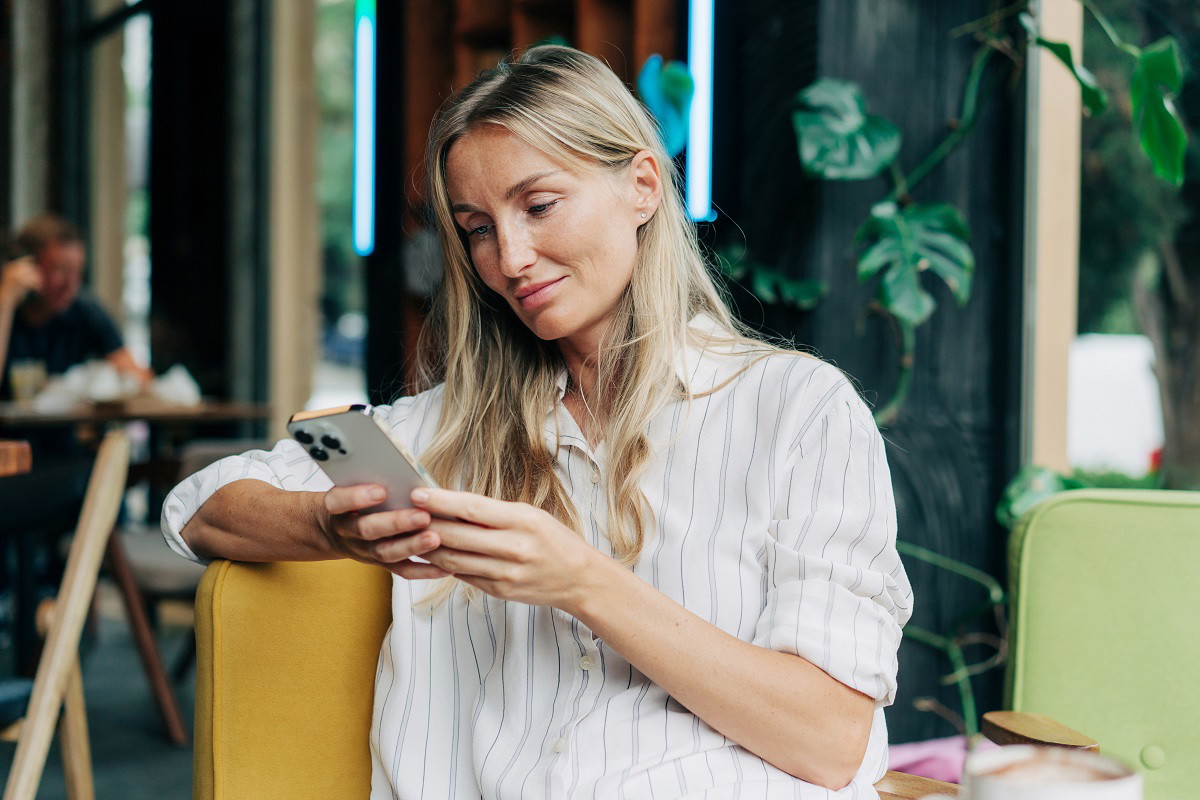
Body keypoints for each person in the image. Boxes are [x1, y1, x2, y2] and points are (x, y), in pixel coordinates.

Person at [162, 46, 913, 798]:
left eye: (539, 205)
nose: (510, 259)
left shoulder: (799, 411)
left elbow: (831, 741)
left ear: (642, 186)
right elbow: (199, 507)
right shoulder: (443, 428)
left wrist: (584, 583)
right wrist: (332, 526)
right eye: (477, 229)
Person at [0, 213, 151, 401]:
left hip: (60, 430)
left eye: (77, 271)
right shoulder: (5, 306)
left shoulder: (84, 309)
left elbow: (141, 377)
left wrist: (103, 380)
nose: (71, 284)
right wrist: (5, 302)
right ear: (24, 265)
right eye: (60, 269)